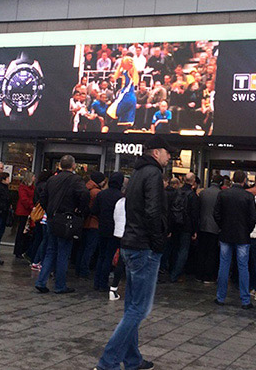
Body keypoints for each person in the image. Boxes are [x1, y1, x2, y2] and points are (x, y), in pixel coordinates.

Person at [95, 136, 174, 370]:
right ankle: (108, 361)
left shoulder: (138, 173)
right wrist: (158, 241)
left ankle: (132, 359)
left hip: (131, 243)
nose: (170, 157)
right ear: (157, 152)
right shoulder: (153, 174)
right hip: (144, 247)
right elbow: (152, 211)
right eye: (168, 153)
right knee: (140, 309)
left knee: (132, 307)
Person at [36, 156, 89, 293]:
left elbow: (42, 197)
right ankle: (60, 285)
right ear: (73, 165)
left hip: (52, 218)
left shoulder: (52, 179)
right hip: (66, 219)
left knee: (50, 251)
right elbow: (84, 194)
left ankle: (41, 281)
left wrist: (49, 209)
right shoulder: (75, 179)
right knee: (63, 253)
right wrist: (79, 209)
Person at [213, 170, 256, 309]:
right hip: (242, 236)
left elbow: (216, 214)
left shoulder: (223, 194)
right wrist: (247, 230)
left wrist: (222, 226)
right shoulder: (248, 196)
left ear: (233, 179)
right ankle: (245, 300)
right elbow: (253, 217)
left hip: (226, 234)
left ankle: (220, 297)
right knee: (243, 267)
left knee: (224, 265)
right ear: (244, 180)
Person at [92, 172, 125, 292]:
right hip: (114, 229)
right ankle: (103, 282)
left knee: (101, 255)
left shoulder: (101, 194)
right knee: (109, 256)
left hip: (102, 227)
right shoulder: (121, 196)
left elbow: (94, 210)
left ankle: (97, 281)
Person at [168, 172, 199, 283]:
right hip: (187, 226)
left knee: (175, 248)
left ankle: (172, 271)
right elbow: (194, 215)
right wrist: (195, 230)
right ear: (193, 181)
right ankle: (175, 274)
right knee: (183, 250)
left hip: (176, 224)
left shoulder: (177, 192)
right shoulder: (192, 195)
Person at [76, 171, 106, 278]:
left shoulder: (85, 189)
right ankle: (84, 270)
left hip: (84, 222)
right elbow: (98, 209)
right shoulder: (97, 193)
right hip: (94, 223)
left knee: (82, 247)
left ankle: (78, 268)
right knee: (90, 248)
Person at [195, 174, 222, 284]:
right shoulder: (221, 194)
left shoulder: (203, 193)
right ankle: (208, 276)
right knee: (212, 252)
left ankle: (199, 274)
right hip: (215, 227)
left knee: (202, 251)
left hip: (202, 225)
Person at [27, 170, 53, 267]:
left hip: (40, 215)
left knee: (39, 237)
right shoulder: (45, 186)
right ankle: (36, 259)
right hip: (43, 215)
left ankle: (33, 257)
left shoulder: (38, 185)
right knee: (42, 238)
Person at [14, 171, 35, 258]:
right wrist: (31, 206)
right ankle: (18, 250)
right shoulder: (23, 187)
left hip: (28, 211)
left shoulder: (32, 187)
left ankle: (23, 249)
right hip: (23, 212)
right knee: (21, 231)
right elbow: (24, 199)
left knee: (26, 232)